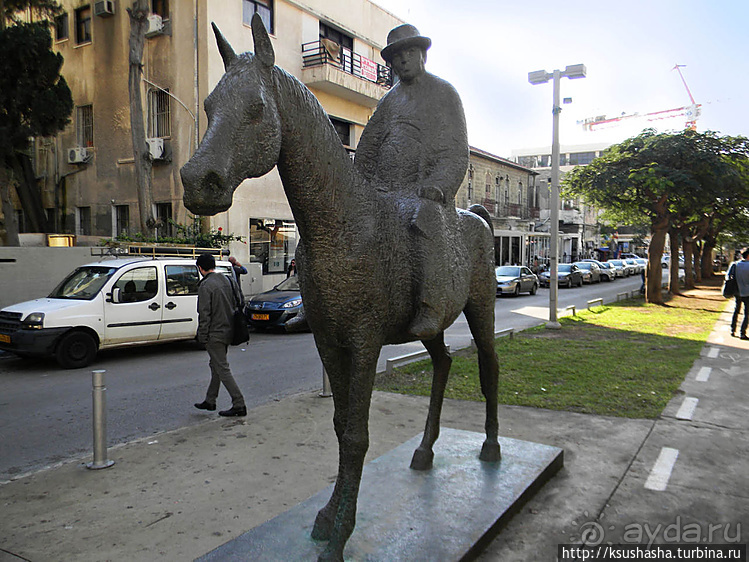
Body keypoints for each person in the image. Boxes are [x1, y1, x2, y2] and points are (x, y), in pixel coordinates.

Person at [354, 23, 468, 340]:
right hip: (383, 191)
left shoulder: (444, 94)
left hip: (423, 192)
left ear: (421, 55)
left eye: (409, 53)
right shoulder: (389, 102)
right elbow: (368, 146)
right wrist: (355, 184)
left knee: (426, 217)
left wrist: (440, 186)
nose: (403, 60)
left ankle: (430, 308)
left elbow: (457, 152)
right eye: (396, 56)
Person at [194, 253, 247, 416]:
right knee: (216, 365)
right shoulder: (228, 280)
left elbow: (204, 314)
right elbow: (241, 301)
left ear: (200, 268)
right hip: (229, 329)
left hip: (215, 333)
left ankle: (239, 403)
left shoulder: (205, 286)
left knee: (222, 368)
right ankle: (210, 400)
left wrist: (202, 336)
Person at [731, 249, 749, 339]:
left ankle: (732, 330)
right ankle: (742, 333)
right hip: (747, 293)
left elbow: (729, 277)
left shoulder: (735, 264)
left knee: (736, 310)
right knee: (747, 313)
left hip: (737, 291)